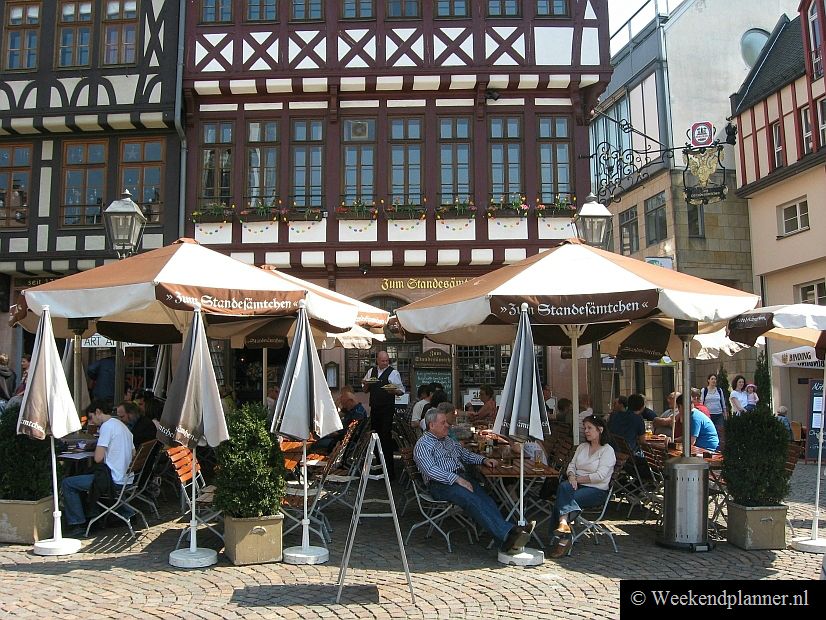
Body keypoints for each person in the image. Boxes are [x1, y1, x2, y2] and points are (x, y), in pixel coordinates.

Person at [413, 409, 534, 554]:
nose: (447, 425)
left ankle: (507, 538)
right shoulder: (423, 444)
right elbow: (430, 471)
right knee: (471, 500)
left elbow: (465, 454)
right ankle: (510, 533)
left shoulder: (447, 440)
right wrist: (457, 479)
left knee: (487, 499)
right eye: (443, 423)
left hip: (460, 478)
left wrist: (484, 460)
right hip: (440, 484)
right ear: (431, 425)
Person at [61, 400, 135, 537]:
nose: (91, 422)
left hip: (113, 480)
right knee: (87, 476)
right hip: (127, 478)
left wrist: (98, 447)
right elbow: (133, 452)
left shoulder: (107, 427)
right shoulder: (122, 425)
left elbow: (98, 458)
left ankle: (77, 523)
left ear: (98, 412)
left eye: (91, 417)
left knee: (68, 483)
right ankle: (95, 514)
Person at [549, 415, 616, 558]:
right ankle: (564, 526)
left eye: (589, 428)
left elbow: (600, 476)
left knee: (564, 496)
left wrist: (577, 479)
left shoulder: (607, 451)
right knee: (564, 487)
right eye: (585, 428)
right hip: (576, 485)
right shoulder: (582, 447)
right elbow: (571, 466)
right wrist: (571, 476)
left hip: (596, 490)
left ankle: (563, 534)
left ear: (600, 429)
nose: (586, 431)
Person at [362, 351, 405, 478]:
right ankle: (379, 466)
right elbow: (365, 390)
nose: (385, 363)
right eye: (383, 361)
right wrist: (367, 383)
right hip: (375, 408)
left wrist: (393, 391)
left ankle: (390, 471)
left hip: (387, 409)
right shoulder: (371, 371)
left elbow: (401, 391)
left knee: (385, 437)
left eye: (387, 360)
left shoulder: (393, 373)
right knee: (375, 436)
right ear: (377, 360)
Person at [314, 388, 368, 453]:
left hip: (343, 441)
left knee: (316, 444)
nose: (343, 406)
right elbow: (335, 416)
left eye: (344, 404)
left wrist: (337, 434)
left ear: (350, 401)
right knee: (318, 438)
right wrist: (337, 404)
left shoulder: (358, 413)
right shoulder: (351, 409)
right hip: (340, 437)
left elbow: (352, 433)